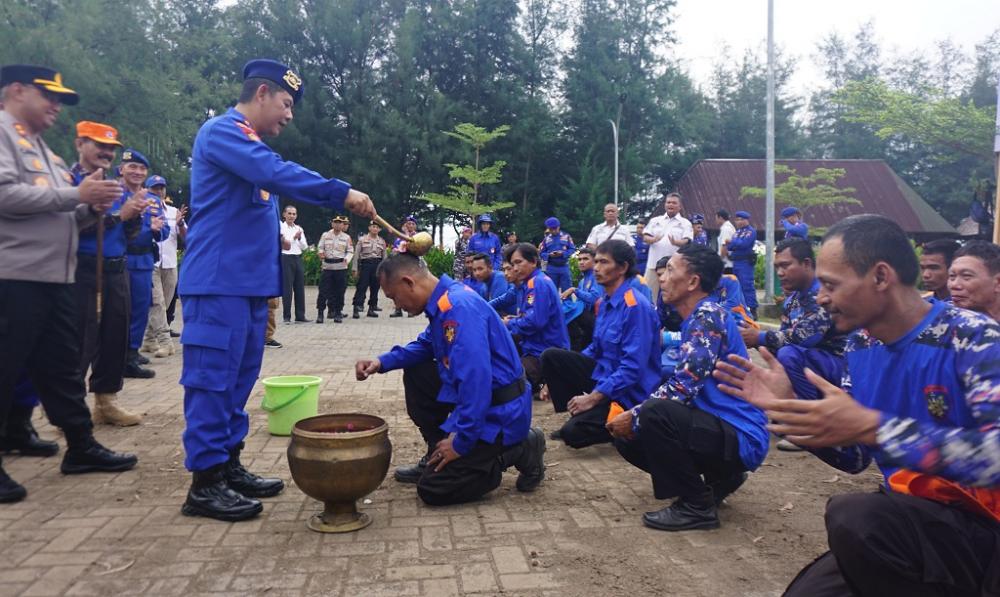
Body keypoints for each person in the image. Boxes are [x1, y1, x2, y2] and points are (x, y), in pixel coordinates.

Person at [714, 214, 1000, 595]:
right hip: (910, 521)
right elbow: (854, 457)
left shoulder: (974, 339)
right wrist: (790, 408)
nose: (821, 298)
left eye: (831, 285)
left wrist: (876, 427)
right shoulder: (861, 345)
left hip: (982, 526)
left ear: (881, 277)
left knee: (855, 517)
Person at [178, 58, 376, 521]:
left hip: (248, 288)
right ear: (262, 94)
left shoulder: (251, 148)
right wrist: (341, 192)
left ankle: (228, 465)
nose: (289, 115)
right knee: (211, 381)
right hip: (218, 284)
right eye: (286, 104)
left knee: (239, 379)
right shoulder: (224, 133)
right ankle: (205, 483)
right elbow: (276, 172)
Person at [0, 64, 139, 502]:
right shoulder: (3, 134)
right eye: (49, 96)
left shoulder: (45, 151)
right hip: (14, 275)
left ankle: (80, 445)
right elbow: (4, 194)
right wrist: (77, 195)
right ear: (16, 90)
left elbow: (60, 213)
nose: (56, 106)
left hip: (53, 277)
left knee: (60, 365)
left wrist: (90, 208)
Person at [355, 254, 546, 505]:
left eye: (393, 297)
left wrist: (461, 444)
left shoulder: (459, 307)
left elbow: (475, 383)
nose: (396, 305)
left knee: (434, 488)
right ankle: (438, 450)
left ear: (408, 282)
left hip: (499, 414)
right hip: (482, 401)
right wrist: (381, 363)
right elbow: (426, 345)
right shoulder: (444, 301)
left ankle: (517, 450)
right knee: (418, 370)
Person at [608, 244, 768, 531]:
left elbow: (683, 387)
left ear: (693, 282)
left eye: (670, 270)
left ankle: (696, 506)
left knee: (653, 414)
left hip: (740, 433)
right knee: (632, 435)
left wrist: (634, 415)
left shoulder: (707, 316)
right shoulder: (696, 317)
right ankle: (721, 479)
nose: (662, 277)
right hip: (721, 428)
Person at [541, 240, 660, 448]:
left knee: (573, 434)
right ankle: (578, 410)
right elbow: (595, 348)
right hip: (605, 376)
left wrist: (593, 398)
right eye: (596, 261)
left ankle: (628, 423)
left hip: (629, 392)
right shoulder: (605, 301)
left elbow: (632, 368)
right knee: (552, 357)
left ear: (622, 268)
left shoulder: (634, 307)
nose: (596, 267)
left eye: (603, 262)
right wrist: (558, 376)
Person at [740, 238, 847, 451]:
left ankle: (807, 426)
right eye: (777, 267)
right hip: (816, 366)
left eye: (785, 265)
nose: (780, 273)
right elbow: (782, 337)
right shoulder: (793, 300)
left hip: (843, 367)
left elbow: (804, 337)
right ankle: (793, 411)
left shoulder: (823, 294)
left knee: (789, 354)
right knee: (779, 355)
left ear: (806, 264)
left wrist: (759, 337)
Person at [71, 122, 145, 425]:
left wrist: (134, 217)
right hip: (83, 270)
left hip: (117, 270)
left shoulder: (116, 187)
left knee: (115, 337)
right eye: (99, 145)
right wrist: (120, 215)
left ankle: (107, 401)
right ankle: (71, 410)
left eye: (111, 148)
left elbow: (126, 235)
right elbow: (71, 227)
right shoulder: (70, 182)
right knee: (80, 341)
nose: (106, 152)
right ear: (80, 144)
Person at [497, 243, 569, 395]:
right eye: (513, 264)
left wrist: (509, 322)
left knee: (506, 384)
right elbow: (531, 315)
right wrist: (515, 319)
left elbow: (535, 321)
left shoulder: (538, 283)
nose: (515, 268)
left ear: (533, 261)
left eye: (519, 262)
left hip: (543, 351)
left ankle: (545, 379)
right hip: (534, 346)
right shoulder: (529, 283)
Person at [122, 149, 168, 378]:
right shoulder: (115, 194)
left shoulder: (153, 201)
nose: (137, 172)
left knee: (140, 310)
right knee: (119, 311)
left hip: (143, 261)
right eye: (132, 167)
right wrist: (149, 229)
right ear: (121, 169)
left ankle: (132, 353)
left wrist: (158, 230)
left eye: (142, 168)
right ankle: (118, 354)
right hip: (120, 260)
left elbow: (164, 232)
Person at [143, 175, 185, 358]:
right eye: (155, 188)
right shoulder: (141, 210)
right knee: (157, 303)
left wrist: (180, 223)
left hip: (170, 263)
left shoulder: (174, 212)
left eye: (161, 188)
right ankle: (165, 342)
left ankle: (148, 339)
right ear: (147, 190)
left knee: (164, 304)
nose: (159, 191)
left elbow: (186, 238)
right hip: (151, 263)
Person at [643, 193, 692, 301]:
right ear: (665, 205)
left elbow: (687, 241)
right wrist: (653, 239)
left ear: (680, 206)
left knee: (673, 296)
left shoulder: (685, 223)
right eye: (668, 202)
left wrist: (676, 242)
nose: (671, 205)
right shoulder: (655, 221)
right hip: (653, 265)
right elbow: (645, 237)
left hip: (673, 267)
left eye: (674, 203)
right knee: (648, 296)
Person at [948, 240, 1000, 321]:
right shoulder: (940, 319)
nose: (954, 285)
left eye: (966, 276)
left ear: (998, 283)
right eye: (952, 276)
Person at [316, 215, 353, 323]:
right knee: (323, 291)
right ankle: (320, 313)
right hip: (327, 267)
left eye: (339, 223)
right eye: (335, 222)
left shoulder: (346, 237)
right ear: (332, 224)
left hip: (340, 267)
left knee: (339, 292)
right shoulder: (325, 235)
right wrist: (320, 253)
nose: (337, 224)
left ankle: (337, 313)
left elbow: (350, 251)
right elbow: (320, 247)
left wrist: (347, 259)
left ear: (343, 225)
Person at [723, 210, 758, 318]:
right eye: (737, 220)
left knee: (747, 285)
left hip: (745, 262)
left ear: (746, 220)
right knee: (736, 285)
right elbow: (730, 247)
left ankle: (752, 309)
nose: (739, 222)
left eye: (741, 219)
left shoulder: (750, 231)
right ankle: (741, 308)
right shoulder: (737, 232)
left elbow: (744, 244)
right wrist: (732, 243)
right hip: (736, 262)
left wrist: (732, 243)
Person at [352, 219, 387, 318]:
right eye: (373, 227)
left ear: (379, 229)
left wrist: (384, 271)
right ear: (369, 228)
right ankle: (356, 307)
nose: (375, 229)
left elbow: (384, 257)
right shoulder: (362, 240)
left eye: (377, 227)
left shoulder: (382, 241)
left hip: (377, 265)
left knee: (375, 287)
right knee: (361, 286)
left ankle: (372, 308)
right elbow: (356, 255)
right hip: (366, 264)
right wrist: (354, 268)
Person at [279, 204, 309, 323]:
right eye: (289, 213)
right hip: (286, 257)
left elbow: (305, 247)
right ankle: (286, 316)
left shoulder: (299, 228)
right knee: (287, 287)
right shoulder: (281, 227)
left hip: (297, 257)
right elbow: (285, 244)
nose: (291, 216)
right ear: (284, 214)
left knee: (299, 287)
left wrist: (299, 238)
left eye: (294, 214)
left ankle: (300, 315)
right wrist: (294, 238)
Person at [390, 215, 418, 317]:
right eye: (408, 223)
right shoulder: (399, 237)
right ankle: (398, 309)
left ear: (415, 226)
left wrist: (406, 235)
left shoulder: (418, 237)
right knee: (398, 288)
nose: (410, 225)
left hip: (412, 266)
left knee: (411, 288)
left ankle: (411, 309)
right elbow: (395, 249)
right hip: (400, 266)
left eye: (412, 224)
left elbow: (413, 247)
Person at [539, 217, 576, 292]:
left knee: (567, 290)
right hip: (551, 268)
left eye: (555, 228)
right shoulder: (546, 239)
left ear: (559, 227)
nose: (553, 231)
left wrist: (563, 253)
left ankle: (567, 300)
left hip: (564, 267)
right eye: (551, 229)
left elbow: (572, 249)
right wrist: (549, 255)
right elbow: (541, 253)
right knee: (552, 291)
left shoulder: (566, 236)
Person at [920, 238, 960, 302]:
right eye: (922, 268)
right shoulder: (923, 303)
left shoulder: (967, 304)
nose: (925, 275)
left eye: (933, 268)